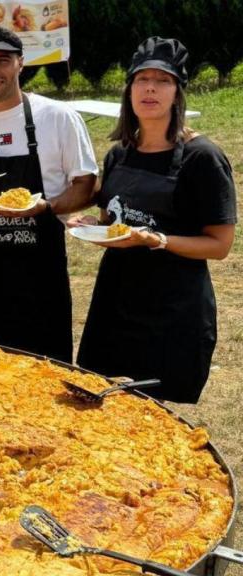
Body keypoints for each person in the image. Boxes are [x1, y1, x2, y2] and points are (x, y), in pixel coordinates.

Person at [74, 38, 236, 403]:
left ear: (177, 92)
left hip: (171, 311)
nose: (150, 88)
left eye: (163, 80)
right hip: (114, 304)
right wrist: (88, 228)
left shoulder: (203, 158)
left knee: (156, 418)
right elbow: (112, 224)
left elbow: (221, 245)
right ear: (129, 90)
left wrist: (158, 240)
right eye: (141, 79)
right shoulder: (119, 154)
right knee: (105, 404)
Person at [0, 26, 97, 361]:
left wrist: (46, 206)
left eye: (2, 60)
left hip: (39, 279)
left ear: (21, 63)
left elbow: (87, 186)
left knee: (47, 375)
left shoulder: (57, 118)